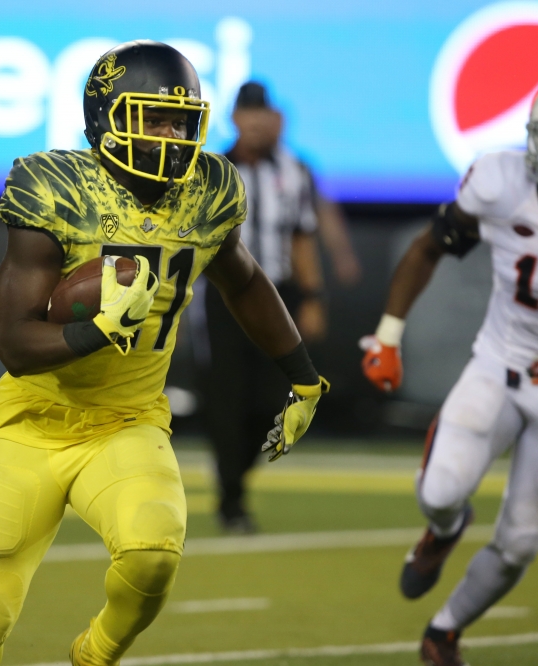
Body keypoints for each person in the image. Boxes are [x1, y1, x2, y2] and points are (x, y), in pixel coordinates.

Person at [0, 41, 328, 666]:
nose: (171, 136)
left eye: (180, 121)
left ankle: (93, 656)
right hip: (33, 425)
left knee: (153, 552)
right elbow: (15, 344)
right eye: (153, 118)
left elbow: (246, 281)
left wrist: (304, 377)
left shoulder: (207, 189)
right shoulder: (56, 187)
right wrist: (98, 328)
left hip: (128, 419)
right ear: (106, 117)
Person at [361, 79, 538, 666]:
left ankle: (444, 632)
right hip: (499, 359)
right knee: (441, 492)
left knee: (523, 538)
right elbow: (428, 248)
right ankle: (444, 530)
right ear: (534, 139)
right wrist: (388, 336)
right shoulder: (498, 179)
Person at [202, 81, 343, 532]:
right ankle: (232, 501)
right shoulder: (212, 169)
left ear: (277, 120)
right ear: (236, 119)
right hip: (224, 294)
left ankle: (233, 478)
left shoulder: (295, 170)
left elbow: (302, 237)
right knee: (227, 398)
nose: (259, 124)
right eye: (250, 116)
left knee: (274, 401)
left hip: (278, 292)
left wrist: (314, 297)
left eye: (266, 116)